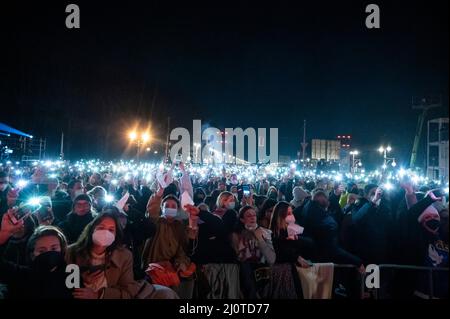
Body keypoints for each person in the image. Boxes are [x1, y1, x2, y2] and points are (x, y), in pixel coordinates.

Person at [65, 212, 140, 299]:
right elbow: (66, 286)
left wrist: (99, 295)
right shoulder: (72, 252)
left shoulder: (124, 256)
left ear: (116, 234)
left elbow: (128, 292)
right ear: (92, 229)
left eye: (111, 230)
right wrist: (82, 280)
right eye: (101, 228)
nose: (105, 233)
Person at [0, 211, 73, 299]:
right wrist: (4, 233)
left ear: (62, 249)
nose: (49, 253)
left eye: (54, 248)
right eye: (42, 251)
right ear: (32, 254)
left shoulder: (71, 272)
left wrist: (92, 295)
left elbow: (78, 294)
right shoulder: (21, 275)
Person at [142, 193, 195, 298]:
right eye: (167, 206)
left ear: (178, 209)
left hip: (172, 272)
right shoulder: (156, 223)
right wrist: (158, 195)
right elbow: (152, 212)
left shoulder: (180, 226)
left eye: (173, 206)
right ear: (161, 208)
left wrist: (181, 264)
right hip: (154, 270)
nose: (170, 208)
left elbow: (182, 250)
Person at [232, 206, 275, 298]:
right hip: (246, 270)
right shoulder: (236, 235)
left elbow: (271, 256)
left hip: (263, 267)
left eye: (254, 215)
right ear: (242, 219)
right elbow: (238, 255)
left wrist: (260, 239)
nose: (252, 218)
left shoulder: (265, 232)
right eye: (248, 216)